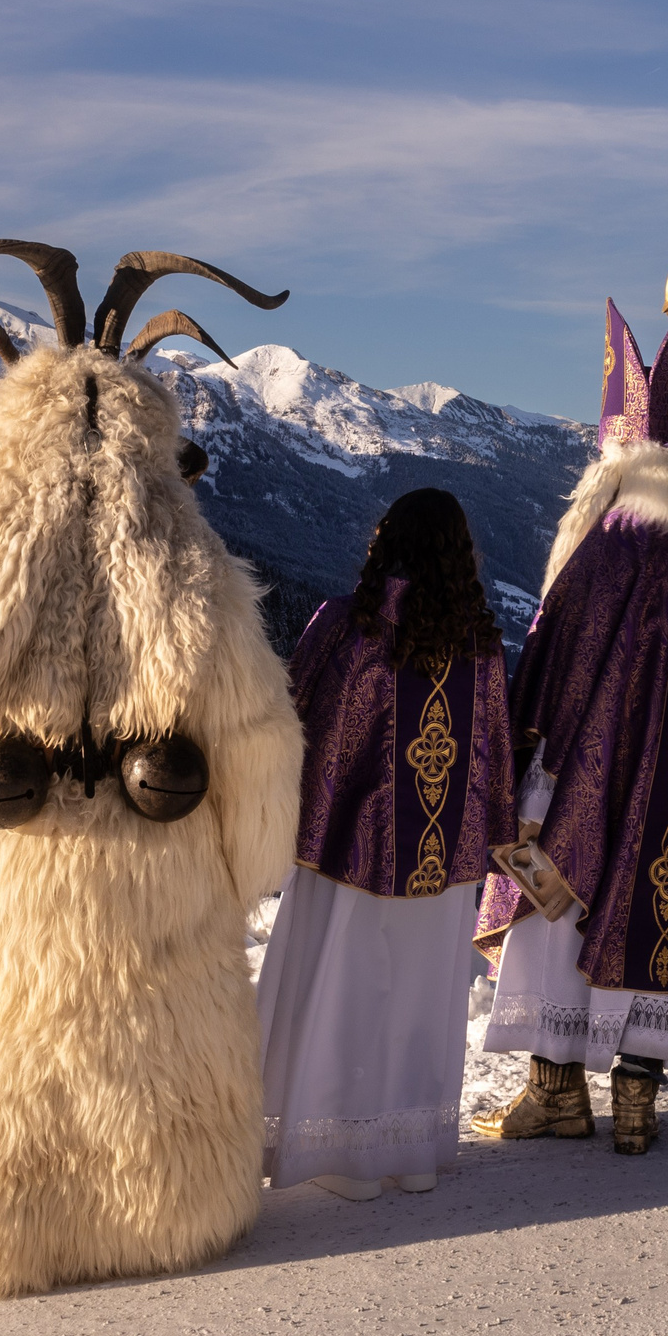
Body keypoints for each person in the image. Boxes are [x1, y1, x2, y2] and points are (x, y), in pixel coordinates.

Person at [472, 279, 668, 1155]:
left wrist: (526, 751)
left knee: (557, 922)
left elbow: (558, 654)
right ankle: (639, 1108)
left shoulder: (615, 538)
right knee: (659, 911)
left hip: (594, 774)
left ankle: (557, 1096)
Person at [257, 489, 515, 1198]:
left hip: (349, 845)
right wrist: (489, 837)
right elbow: (493, 748)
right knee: (417, 1000)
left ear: (386, 542)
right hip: (445, 859)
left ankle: (336, 1154)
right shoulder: (482, 642)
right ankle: (410, 1154)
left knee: (339, 992)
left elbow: (288, 713)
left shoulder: (345, 624)